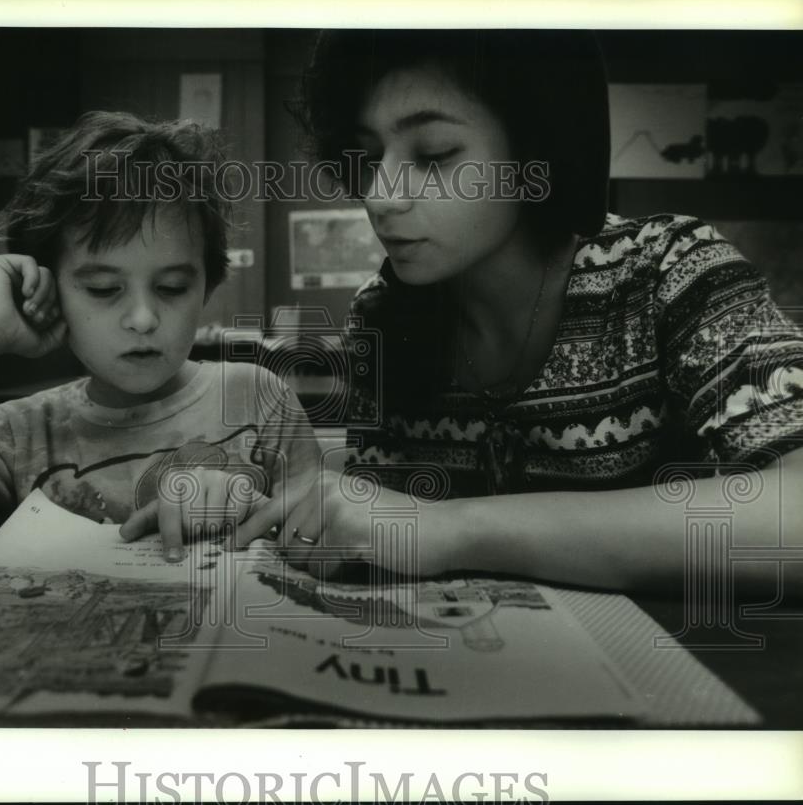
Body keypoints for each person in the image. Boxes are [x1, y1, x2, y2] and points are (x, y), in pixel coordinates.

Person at [236, 30, 803, 593]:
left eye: (433, 155)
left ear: (536, 149)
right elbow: (380, 529)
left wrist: (451, 528)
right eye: (367, 155)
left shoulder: (671, 271)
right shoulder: (384, 315)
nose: (382, 195)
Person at [0, 111, 320, 562]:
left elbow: (330, 539)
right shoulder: (13, 440)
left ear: (206, 285)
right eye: (101, 289)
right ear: (49, 289)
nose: (142, 317)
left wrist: (254, 511)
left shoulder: (258, 398)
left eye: (171, 287)